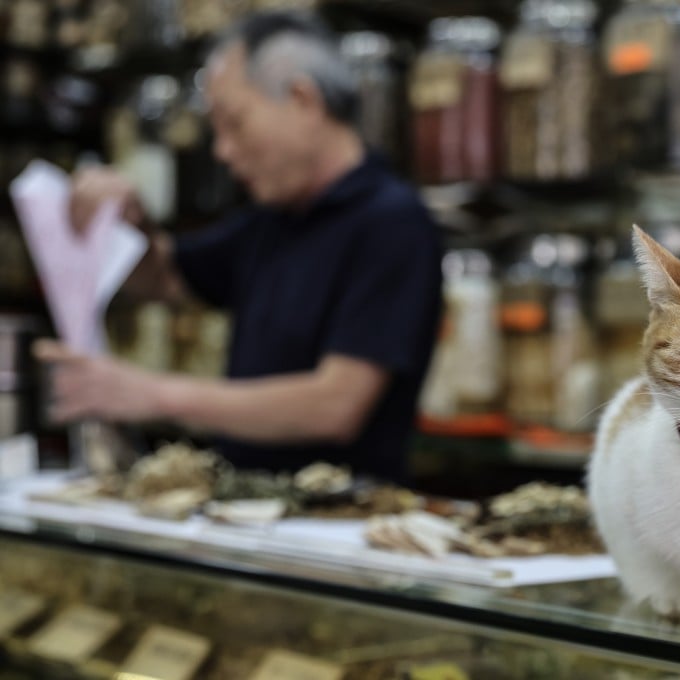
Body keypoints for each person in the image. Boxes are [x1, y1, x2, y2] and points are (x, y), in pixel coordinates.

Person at [33, 11, 444, 483]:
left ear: (303, 100)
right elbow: (163, 279)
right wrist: (134, 220)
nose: (223, 151)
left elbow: (336, 406)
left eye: (234, 124)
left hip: (340, 513)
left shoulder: (392, 222)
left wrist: (149, 394)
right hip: (245, 503)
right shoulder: (270, 221)